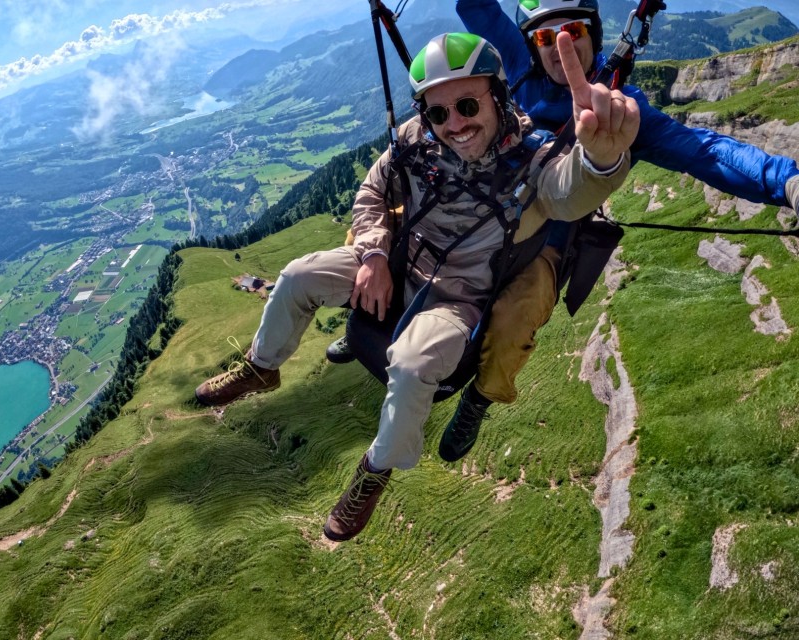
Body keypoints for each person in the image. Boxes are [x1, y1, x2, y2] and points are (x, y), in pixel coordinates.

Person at [195, 31, 639, 541]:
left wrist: (601, 160)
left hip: (455, 301)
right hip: (399, 264)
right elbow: (371, 190)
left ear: (497, 96)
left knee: (409, 364)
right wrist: (376, 253)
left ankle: (377, 470)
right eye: (438, 113)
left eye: (468, 104)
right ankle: (262, 367)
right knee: (298, 275)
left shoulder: (533, 162)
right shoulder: (413, 141)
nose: (455, 124)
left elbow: (569, 195)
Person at [411, 0, 799, 464]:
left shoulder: (619, 112)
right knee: (408, 230)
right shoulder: (518, 67)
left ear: (592, 34)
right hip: (481, 208)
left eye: (572, 30)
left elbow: (706, 152)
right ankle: (368, 321)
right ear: (529, 44)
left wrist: (786, 181)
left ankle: (480, 399)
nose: (560, 46)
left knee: (519, 313)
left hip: (547, 237)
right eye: (543, 37)